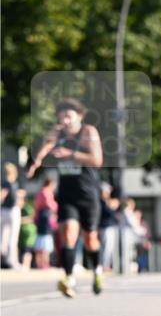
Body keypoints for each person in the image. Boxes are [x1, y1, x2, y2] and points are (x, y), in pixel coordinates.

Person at [27, 98, 104, 297]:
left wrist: (71, 153)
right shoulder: (58, 133)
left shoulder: (88, 132)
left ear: (79, 117)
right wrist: (36, 161)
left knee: (90, 238)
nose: (65, 120)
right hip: (67, 192)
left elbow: (97, 160)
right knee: (68, 232)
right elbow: (46, 146)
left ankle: (97, 271)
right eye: (62, 116)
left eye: (69, 116)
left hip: (88, 193)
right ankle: (69, 277)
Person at [33, 175, 58, 269]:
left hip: (40, 216)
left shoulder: (40, 192)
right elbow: (50, 204)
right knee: (45, 240)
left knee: (40, 238)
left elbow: (36, 205)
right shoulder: (47, 192)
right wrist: (57, 206)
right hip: (46, 216)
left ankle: (39, 263)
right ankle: (44, 263)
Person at [1, 162, 21, 269]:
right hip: (11, 210)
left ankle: (6, 259)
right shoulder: (9, 183)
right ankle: (11, 261)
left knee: (4, 236)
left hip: (5, 210)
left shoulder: (5, 182)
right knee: (11, 237)